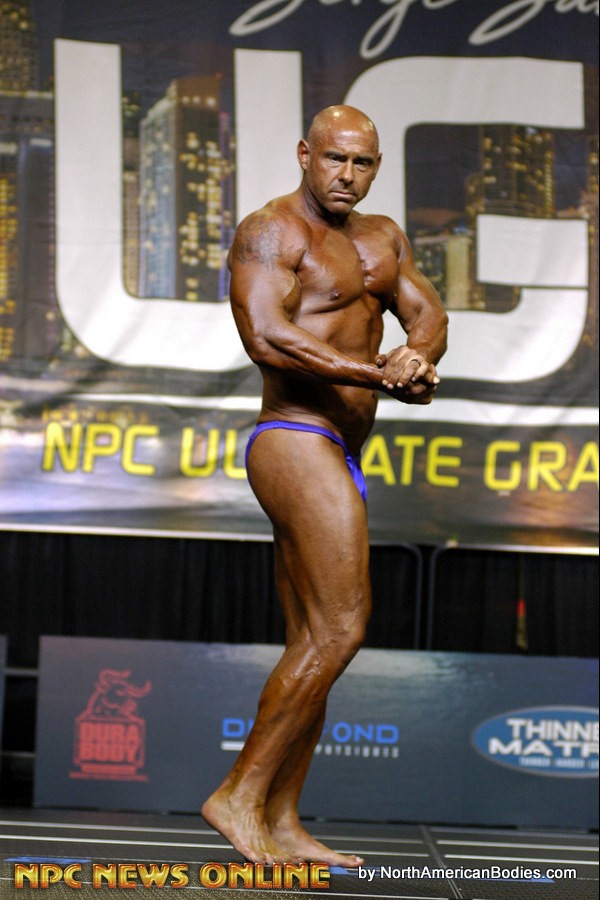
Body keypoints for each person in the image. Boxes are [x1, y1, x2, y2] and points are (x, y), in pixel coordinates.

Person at [201, 105, 448, 867]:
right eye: (335, 159)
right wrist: (378, 373)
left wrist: (416, 355)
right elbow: (267, 337)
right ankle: (238, 795)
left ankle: (282, 818)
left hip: (342, 447)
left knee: (312, 642)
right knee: (340, 630)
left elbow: (428, 312)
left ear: (377, 167)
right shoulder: (272, 230)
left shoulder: (383, 238)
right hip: (294, 438)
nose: (347, 175)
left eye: (362, 163)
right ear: (306, 153)